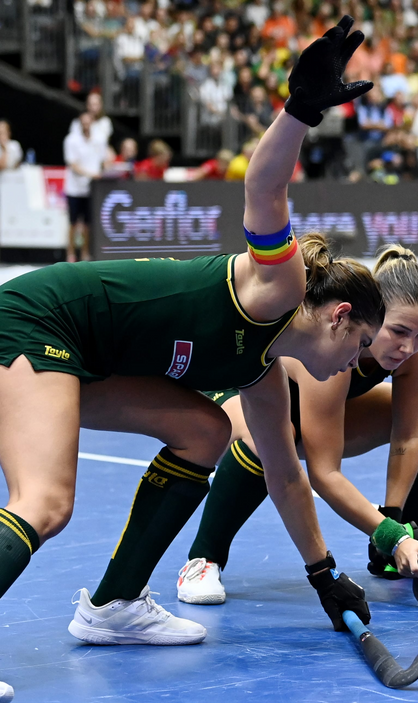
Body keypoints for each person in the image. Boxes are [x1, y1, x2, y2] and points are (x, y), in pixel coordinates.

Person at [0, 16, 381, 700]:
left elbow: (286, 477)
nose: (354, 365)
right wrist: (299, 111)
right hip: (40, 321)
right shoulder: (279, 288)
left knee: (206, 430)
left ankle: (114, 607)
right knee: (46, 501)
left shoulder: (261, 374)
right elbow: (263, 189)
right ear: (339, 315)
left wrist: (323, 573)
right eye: (360, 346)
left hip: (90, 355)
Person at [175, 243, 418, 604]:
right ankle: (204, 558)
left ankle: (413, 537)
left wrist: (393, 525)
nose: (408, 347)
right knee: (267, 440)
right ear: (373, 315)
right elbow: (325, 474)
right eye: (398, 331)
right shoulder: (337, 345)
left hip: (314, 414)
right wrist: (387, 534)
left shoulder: (413, 351)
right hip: (236, 397)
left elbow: (408, 435)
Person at [63, 111, 106, 262]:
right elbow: (73, 164)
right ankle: (70, 253)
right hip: (74, 189)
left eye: (89, 122)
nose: (86, 125)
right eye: (84, 122)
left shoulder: (99, 139)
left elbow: (102, 161)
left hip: (91, 190)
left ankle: (85, 253)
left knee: (88, 224)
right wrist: (91, 174)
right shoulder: (71, 140)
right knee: (73, 223)